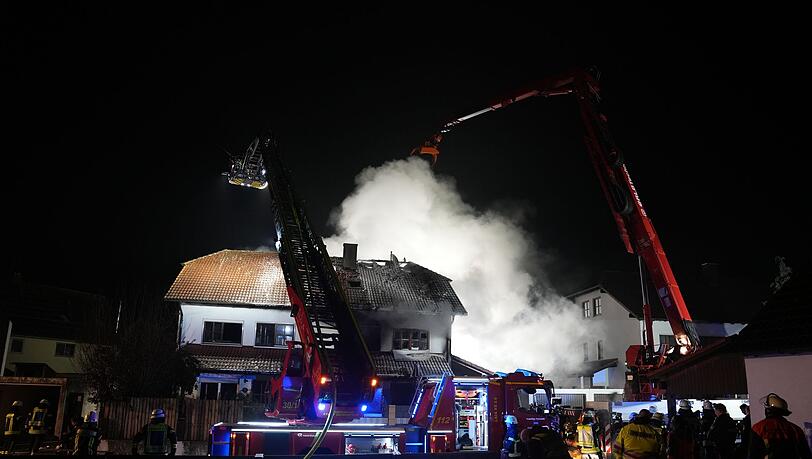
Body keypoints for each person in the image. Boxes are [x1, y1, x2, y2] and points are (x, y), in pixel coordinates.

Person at [750, 393, 811, 459]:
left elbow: (753, 454)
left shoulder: (758, 428)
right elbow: (805, 454)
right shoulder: (796, 429)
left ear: (768, 410)